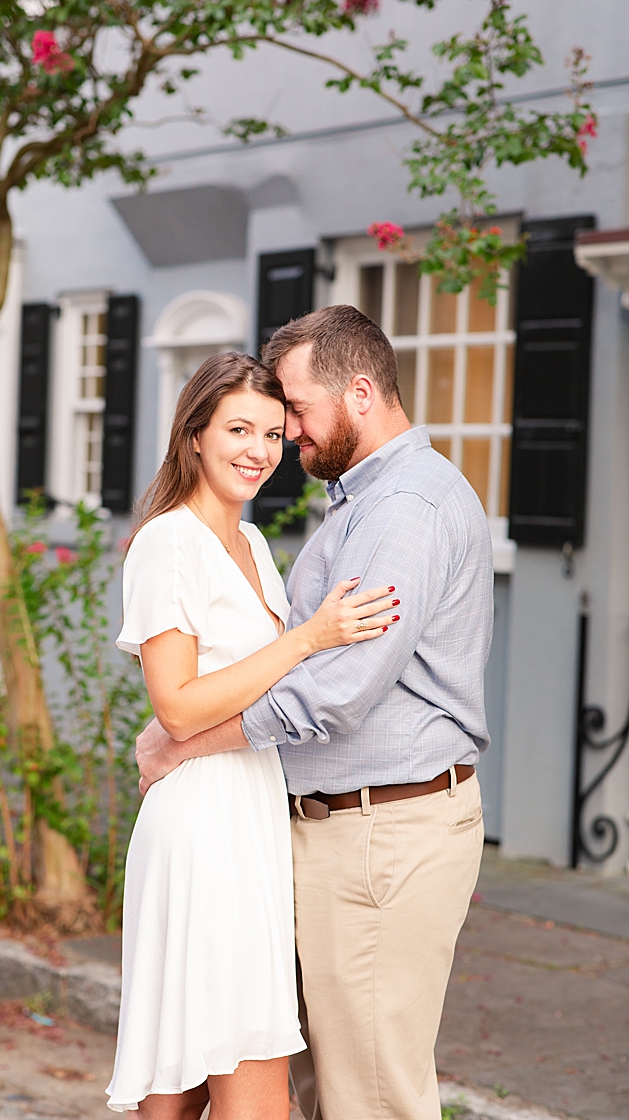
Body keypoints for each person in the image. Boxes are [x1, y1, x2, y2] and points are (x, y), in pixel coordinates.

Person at [134, 304, 492, 1120]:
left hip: (378, 839)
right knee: (290, 1078)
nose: (283, 432)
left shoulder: (405, 509)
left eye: (294, 409)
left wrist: (186, 744)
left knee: (367, 1097)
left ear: (359, 393)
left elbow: (338, 688)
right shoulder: (357, 502)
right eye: (257, 421)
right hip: (306, 831)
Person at [105, 351, 400, 1118]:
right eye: (239, 428)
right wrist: (310, 638)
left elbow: (227, 689)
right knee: (243, 1067)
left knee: (186, 1079)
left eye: (274, 433)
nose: (259, 451)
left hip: (250, 812)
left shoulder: (255, 548)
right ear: (194, 434)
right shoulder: (169, 542)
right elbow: (177, 704)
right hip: (202, 827)